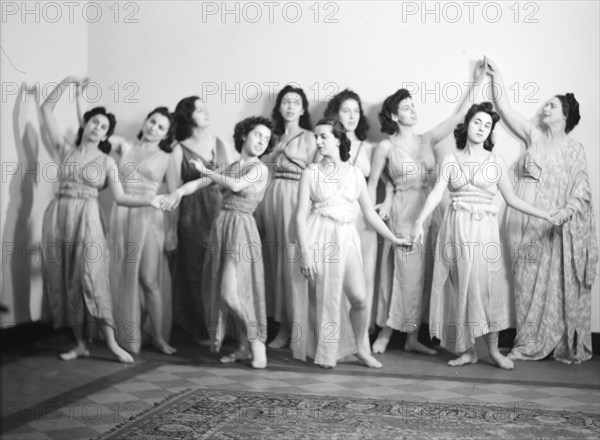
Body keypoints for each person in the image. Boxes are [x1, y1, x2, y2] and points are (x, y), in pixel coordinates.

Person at [411, 102, 556, 370]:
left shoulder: (495, 161)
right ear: (467, 125)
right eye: (477, 122)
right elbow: (435, 193)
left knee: (486, 290)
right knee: (458, 289)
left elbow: (512, 199)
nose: (481, 128)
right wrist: (419, 221)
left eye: (487, 125)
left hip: (483, 232)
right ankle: (467, 351)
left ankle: (492, 351)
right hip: (455, 230)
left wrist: (545, 214)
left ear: (490, 132)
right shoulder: (450, 160)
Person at [40, 76, 163, 363]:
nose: (98, 128)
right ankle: (81, 342)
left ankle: (110, 342)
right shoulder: (65, 149)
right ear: (85, 124)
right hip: (59, 216)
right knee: (67, 276)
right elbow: (46, 110)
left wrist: (150, 200)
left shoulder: (108, 161)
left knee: (93, 277)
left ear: (107, 135)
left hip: (89, 217)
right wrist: (67, 85)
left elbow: (120, 197)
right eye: (94, 122)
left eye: (104, 126)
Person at [486, 57, 599, 363]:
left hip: (555, 225)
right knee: (523, 282)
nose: (544, 110)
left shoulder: (575, 149)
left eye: (551, 106)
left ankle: (551, 341)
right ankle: (526, 341)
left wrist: (568, 210)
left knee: (553, 284)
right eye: (545, 105)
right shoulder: (534, 137)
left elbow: (582, 187)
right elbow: (506, 109)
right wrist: (498, 76)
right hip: (523, 219)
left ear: (565, 115)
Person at [369, 62, 485, 355]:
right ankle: (386, 332)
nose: (412, 110)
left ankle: (411, 338)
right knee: (405, 273)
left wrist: (477, 81)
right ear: (394, 116)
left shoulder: (427, 139)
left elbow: (458, 116)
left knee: (426, 275)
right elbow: (372, 184)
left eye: (412, 105)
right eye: (406, 107)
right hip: (405, 213)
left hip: (433, 211)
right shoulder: (385, 147)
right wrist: (378, 204)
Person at [294, 118, 410, 369]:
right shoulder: (310, 173)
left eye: (323, 136)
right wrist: (305, 253)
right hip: (318, 235)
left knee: (359, 298)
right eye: (316, 137)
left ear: (338, 138)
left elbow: (369, 214)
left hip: (345, 237)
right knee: (322, 297)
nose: (318, 141)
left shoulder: (355, 173)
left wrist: (393, 239)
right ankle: (325, 351)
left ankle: (360, 348)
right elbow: (300, 216)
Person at [166, 116, 274, 368]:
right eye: (258, 135)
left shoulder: (260, 168)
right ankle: (244, 347)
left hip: (241, 229)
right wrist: (178, 192)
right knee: (227, 292)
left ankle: (257, 344)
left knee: (231, 294)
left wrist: (207, 170)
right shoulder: (233, 165)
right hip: (222, 226)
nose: (262, 141)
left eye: (267, 139)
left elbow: (235, 184)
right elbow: (200, 183)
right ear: (245, 135)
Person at [108, 107, 177, 355]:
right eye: (152, 122)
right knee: (123, 275)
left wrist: (172, 232)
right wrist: (78, 99)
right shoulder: (124, 147)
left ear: (166, 134)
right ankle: (127, 333)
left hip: (150, 215)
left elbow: (174, 196)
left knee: (148, 279)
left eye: (161, 127)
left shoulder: (167, 157)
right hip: (123, 212)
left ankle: (157, 336)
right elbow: (94, 135)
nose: (153, 128)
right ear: (145, 121)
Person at [168, 96, 235, 343]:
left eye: (205, 109)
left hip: (220, 212)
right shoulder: (178, 148)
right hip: (192, 216)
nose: (205, 113)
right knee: (197, 271)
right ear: (188, 116)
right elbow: (174, 190)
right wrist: (171, 231)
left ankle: (224, 327)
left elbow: (233, 181)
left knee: (222, 268)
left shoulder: (221, 143)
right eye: (198, 110)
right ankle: (202, 328)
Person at [257, 85, 318, 349]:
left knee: (292, 262)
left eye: (296, 102)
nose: (290, 107)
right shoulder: (270, 136)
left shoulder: (310, 137)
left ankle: (295, 327)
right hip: (271, 197)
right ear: (279, 107)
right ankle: (279, 324)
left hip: (296, 198)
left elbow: (316, 171)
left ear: (303, 109)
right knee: (274, 262)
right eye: (286, 102)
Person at [324, 89, 388, 333]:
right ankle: (336, 331)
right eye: (345, 111)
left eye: (356, 111)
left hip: (363, 218)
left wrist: (389, 201)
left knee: (364, 273)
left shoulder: (369, 148)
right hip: (334, 218)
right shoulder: (326, 144)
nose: (351, 116)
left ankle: (361, 332)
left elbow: (389, 181)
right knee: (335, 272)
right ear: (335, 114)